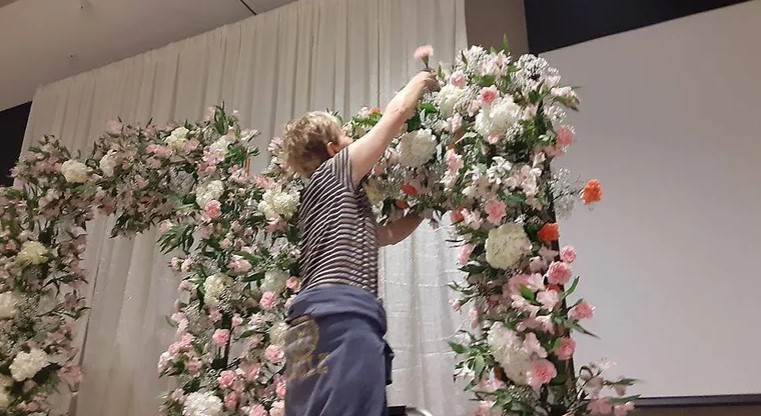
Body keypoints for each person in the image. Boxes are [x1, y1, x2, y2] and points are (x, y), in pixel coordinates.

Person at [281, 69, 439, 416]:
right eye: (346, 137)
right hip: (341, 319)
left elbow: (386, 235)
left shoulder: (321, 201)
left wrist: (426, 208)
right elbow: (396, 115)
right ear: (333, 148)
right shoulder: (336, 170)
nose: (353, 140)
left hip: (306, 329)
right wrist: (421, 80)